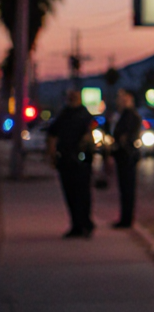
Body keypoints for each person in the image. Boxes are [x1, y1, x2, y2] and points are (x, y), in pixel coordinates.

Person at [45, 89, 98, 239]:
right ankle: (77, 224)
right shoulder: (65, 114)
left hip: (80, 159)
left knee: (82, 193)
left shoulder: (85, 115)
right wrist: (52, 155)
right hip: (66, 159)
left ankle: (85, 224)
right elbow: (52, 134)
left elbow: (91, 135)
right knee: (71, 193)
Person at [109, 88, 142, 228]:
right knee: (125, 189)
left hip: (126, 156)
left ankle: (126, 220)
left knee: (127, 189)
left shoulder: (129, 116)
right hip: (125, 156)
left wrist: (119, 145)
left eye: (121, 98)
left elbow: (124, 136)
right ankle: (125, 218)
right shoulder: (126, 115)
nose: (118, 101)